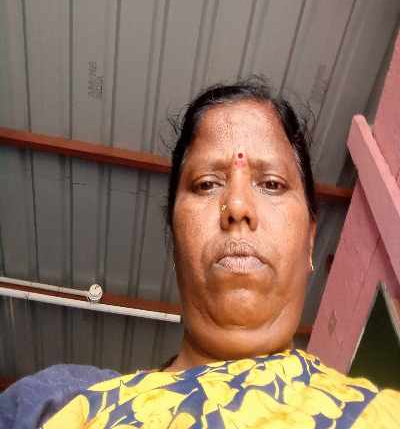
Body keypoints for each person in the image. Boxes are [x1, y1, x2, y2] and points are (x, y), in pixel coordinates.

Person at [2, 78, 400, 427]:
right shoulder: (57, 402)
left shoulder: (382, 415)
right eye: (207, 184)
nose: (237, 206)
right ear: (175, 239)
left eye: (272, 184)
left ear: (310, 239)